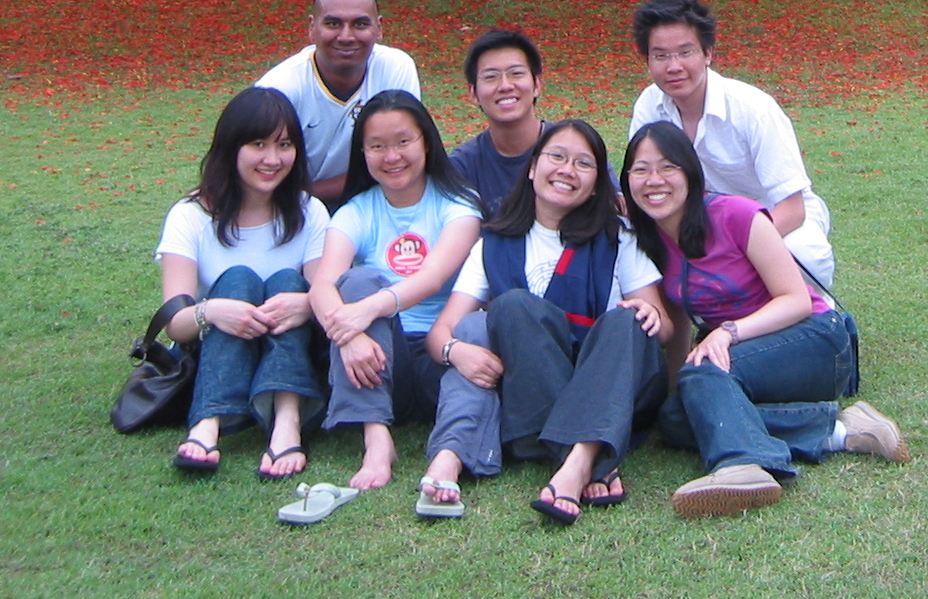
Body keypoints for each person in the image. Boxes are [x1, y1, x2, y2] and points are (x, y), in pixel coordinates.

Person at [622, 122, 907, 516]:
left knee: (703, 372)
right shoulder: (650, 239)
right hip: (748, 361)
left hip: (814, 341)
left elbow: (796, 300)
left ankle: (741, 465)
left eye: (668, 167)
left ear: (690, 173)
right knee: (675, 417)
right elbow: (682, 323)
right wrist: (677, 389)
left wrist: (727, 333)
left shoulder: (736, 214)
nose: (654, 180)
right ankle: (842, 430)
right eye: (640, 169)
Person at [420, 119, 669, 525]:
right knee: (514, 306)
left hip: (610, 382)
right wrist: (456, 350)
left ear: (596, 183)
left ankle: (576, 458)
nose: (567, 170)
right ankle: (587, 457)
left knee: (624, 322)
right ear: (533, 167)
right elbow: (441, 333)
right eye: (556, 157)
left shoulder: (617, 236)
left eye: (583, 164)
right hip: (536, 391)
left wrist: (650, 316)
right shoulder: (493, 243)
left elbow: (664, 326)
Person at [310, 91, 482, 501]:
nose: (392, 156)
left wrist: (363, 311)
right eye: (377, 146)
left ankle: (450, 453)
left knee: (479, 329)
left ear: (426, 141)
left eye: (403, 142)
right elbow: (321, 286)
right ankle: (376, 438)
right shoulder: (355, 212)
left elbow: (433, 276)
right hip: (378, 356)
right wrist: (348, 334)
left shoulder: (459, 205)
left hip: (439, 355)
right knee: (354, 282)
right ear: (363, 152)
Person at [155, 87, 329, 478]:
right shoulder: (190, 216)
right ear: (231, 148)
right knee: (236, 281)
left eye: (284, 145)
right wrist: (214, 310)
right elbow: (175, 322)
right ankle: (207, 423)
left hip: (290, 348)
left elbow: (325, 295)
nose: (272, 159)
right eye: (258, 144)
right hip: (212, 350)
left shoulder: (309, 211)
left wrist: (303, 303)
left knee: (288, 281)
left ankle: (287, 419)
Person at [627, 0, 835, 287]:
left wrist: (733, 249)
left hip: (771, 219)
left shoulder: (753, 109)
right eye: (660, 55)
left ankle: (816, 317)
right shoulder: (649, 107)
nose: (673, 67)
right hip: (696, 222)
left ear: (708, 54)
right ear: (647, 60)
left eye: (686, 52)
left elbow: (792, 207)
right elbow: (645, 184)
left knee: (804, 257)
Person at [255, 0, 422, 204]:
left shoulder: (395, 68)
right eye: (333, 24)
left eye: (360, 24)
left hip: (374, 200)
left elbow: (402, 162)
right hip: (291, 207)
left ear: (379, 28)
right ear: (312, 28)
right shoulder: (280, 88)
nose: (346, 36)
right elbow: (259, 177)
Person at [447, 29, 550, 217]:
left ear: (537, 85)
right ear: (473, 93)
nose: (505, 86)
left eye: (516, 73)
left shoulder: (573, 151)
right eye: (490, 77)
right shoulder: (462, 167)